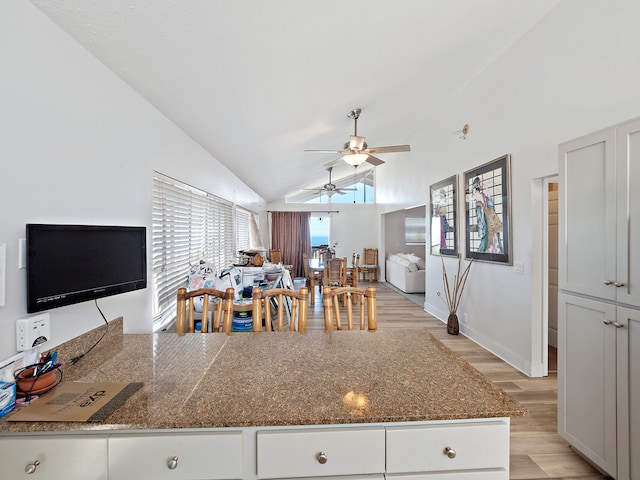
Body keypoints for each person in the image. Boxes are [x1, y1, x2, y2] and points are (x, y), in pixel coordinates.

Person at [470, 177, 503, 253]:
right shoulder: (480, 195)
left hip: (485, 217)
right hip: (487, 216)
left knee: (489, 236)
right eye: (480, 184)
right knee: (491, 237)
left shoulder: (479, 195)